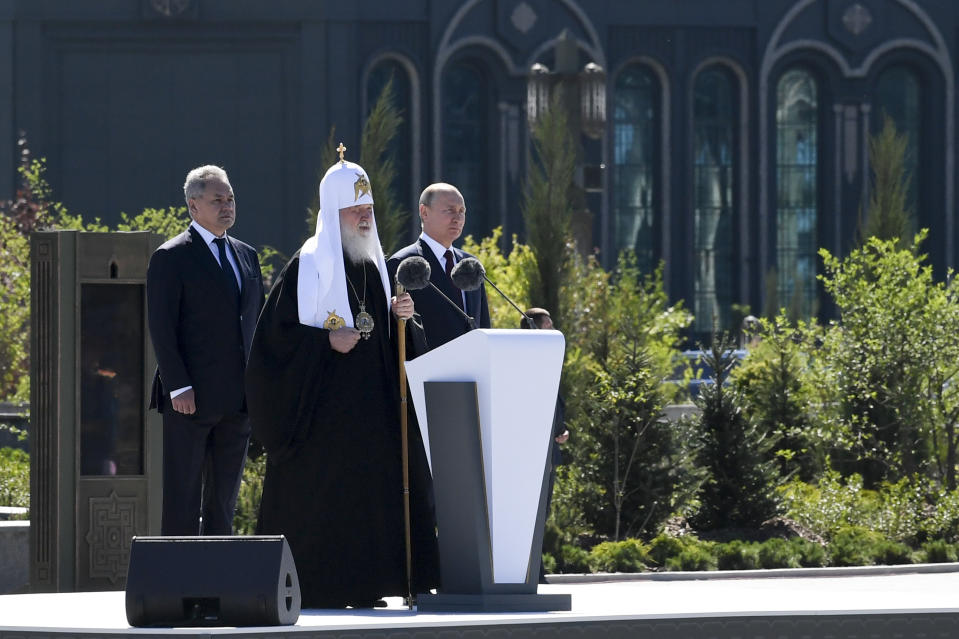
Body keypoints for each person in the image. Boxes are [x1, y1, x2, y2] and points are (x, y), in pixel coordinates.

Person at [245, 154, 439, 609]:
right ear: (334, 214)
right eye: (357, 210)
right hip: (320, 419)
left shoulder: (374, 268)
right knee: (324, 503)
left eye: (369, 210)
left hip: (370, 415)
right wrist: (325, 342)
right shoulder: (307, 267)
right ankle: (321, 586)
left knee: (369, 500)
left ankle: (367, 584)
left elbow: (392, 343)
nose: (366, 217)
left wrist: (403, 320)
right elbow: (274, 344)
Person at [147, 165, 264, 536]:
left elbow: (252, 324)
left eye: (230, 198)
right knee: (183, 496)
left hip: (238, 399)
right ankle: (178, 586)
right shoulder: (171, 256)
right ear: (193, 206)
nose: (227, 206)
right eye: (217, 199)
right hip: (190, 399)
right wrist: (177, 385)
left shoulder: (246, 256)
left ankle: (217, 582)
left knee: (223, 500)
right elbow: (162, 327)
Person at [387, 182, 490, 351]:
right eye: (449, 210)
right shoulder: (403, 264)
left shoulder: (470, 266)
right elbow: (394, 333)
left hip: (473, 371)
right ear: (424, 212)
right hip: (427, 373)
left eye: (462, 211)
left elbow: (484, 324)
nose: (457, 218)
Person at [520, 307, 569, 583]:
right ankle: (530, 571)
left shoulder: (550, 361)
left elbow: (554, 406)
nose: (553, 330)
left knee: (543, 513)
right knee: (530, 514)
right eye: (548, 325)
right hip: (530, 453)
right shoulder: (524, 362)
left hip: (549, 451)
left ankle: (536, 570)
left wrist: (562, 430)